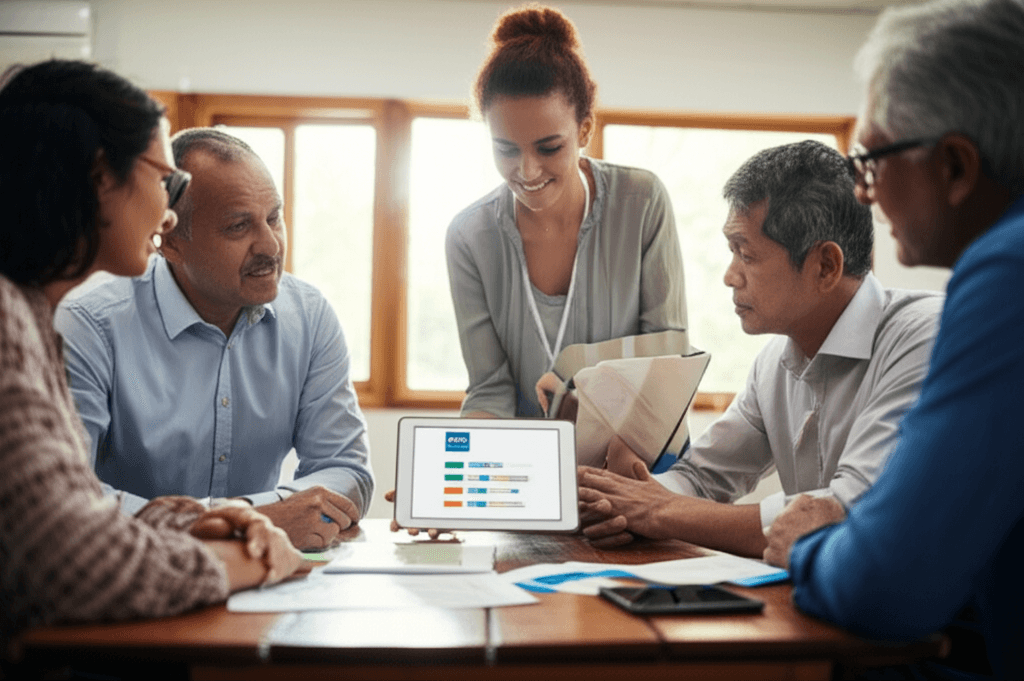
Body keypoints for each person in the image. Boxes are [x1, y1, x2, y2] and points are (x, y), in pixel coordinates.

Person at [0, 59, 301, 650]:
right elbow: (71, 565)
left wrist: (199, 522)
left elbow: (67, 508)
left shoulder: (29, 313)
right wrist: (251, 561)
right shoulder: (9, 320)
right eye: (168, 181)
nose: (168, 214)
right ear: (99, 178)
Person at [762, 1, 1024, 678]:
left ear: (956, 166)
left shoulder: (1006, 274)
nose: (864, 194)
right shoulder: (772, 361)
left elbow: (888, 583)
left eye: (872, 160)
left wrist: (811, 544)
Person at [577, 140, 943, 558]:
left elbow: (850, 508)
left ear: (825, 266)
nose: (730, 276)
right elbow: (700, 479)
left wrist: (657, 511)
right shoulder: (774, 362)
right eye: (731, 251)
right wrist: (622, 499)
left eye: (746, 254)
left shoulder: (926, 337)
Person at [53, 128, 374, 551]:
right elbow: (64, 499)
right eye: (238, 226)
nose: (271, 245)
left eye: (273, 217)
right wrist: (240, 523)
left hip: (264, 572)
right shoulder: (89, 326)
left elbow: (346, 469)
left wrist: (252, 516)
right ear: (169, 242)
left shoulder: (309, 316)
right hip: (135, 572)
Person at [446, 4, 688, 418]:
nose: (527, 171)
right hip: (527, 452)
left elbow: (670, 353)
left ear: (584, 130)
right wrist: (464, 454)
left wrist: (577, 366)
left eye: (549, 148)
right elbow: (489, 389)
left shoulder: (641, 201)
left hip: (635, 441)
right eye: (506, 149)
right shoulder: (469, 236)